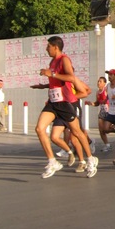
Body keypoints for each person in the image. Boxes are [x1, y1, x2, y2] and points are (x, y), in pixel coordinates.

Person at [32, 36, 98, 179]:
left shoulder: (64, 60)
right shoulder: (52, 61)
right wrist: (43, 86)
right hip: (53, 102)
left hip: (64, 103)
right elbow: (55, 81)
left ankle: (90, 159)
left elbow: (71, 77)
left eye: (48, 46)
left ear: (55, 47)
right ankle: (52, 162)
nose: (46, 49)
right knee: (39, 129)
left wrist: (52, 74)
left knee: (77, 133)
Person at [85, 77, 110, 151]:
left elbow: (110, 98)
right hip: (102, 111)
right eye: (98, 81)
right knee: (101, 130)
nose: (98, 83)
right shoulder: (97, 92)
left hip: (109, 111)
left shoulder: (106, 90)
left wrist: (106, 100)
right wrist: (91, 103)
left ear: (104, 83)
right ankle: (107, 145)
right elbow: (97, 103)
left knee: (106, 129)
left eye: (100, 81)